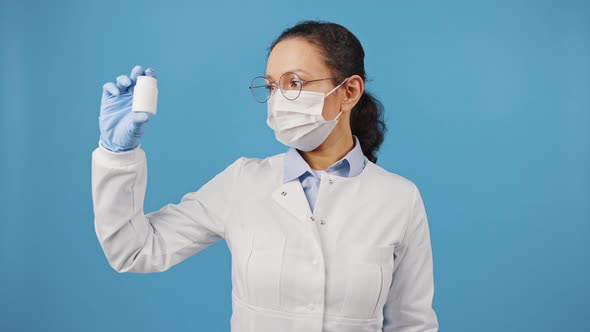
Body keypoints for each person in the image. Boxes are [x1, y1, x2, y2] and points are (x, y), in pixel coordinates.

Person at [92, 20, 439, 332]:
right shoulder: (243, 183)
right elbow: (134, 249)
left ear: (349, 92)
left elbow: (412, 325)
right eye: (273, 86)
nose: (279, 99)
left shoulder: (399, 199)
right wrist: (117, 155)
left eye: (296, 82)